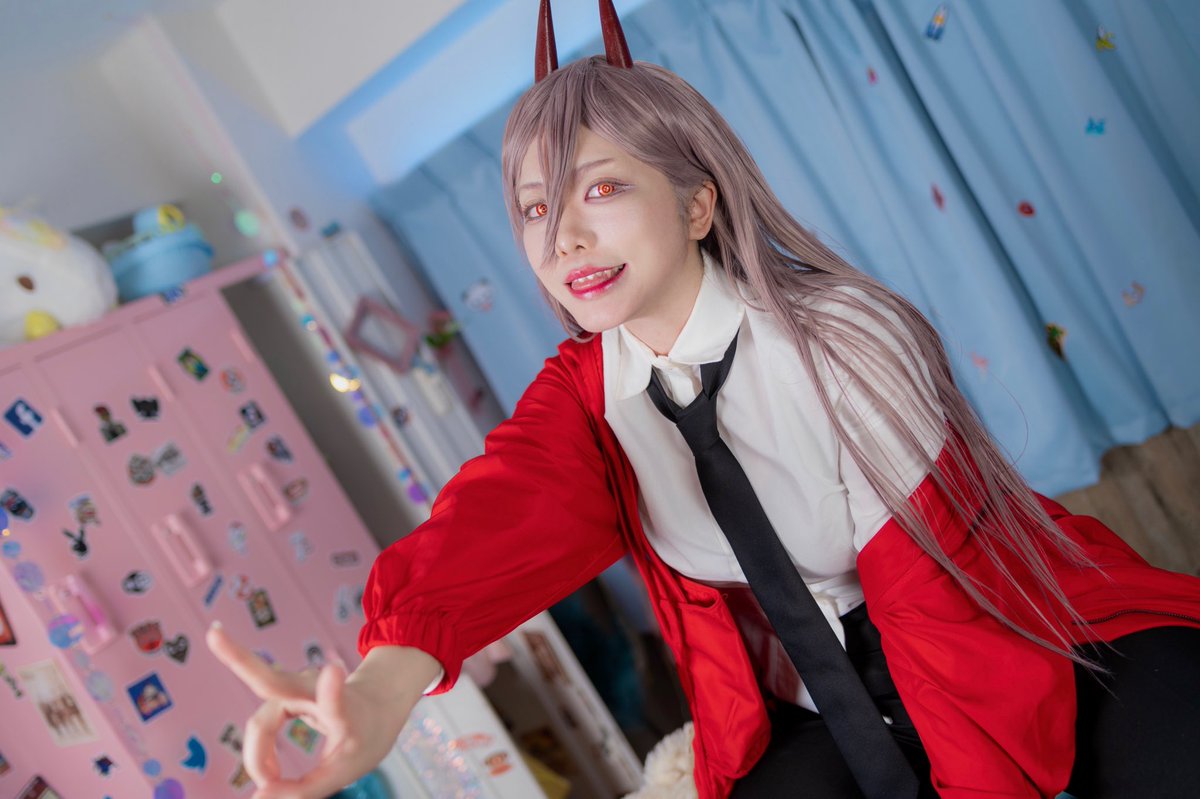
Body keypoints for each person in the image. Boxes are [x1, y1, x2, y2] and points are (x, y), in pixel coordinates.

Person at [207, 2, 1200, 797]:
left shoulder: (844, 337)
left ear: (695, 202)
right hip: (816, 702)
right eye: (535, 207)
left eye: (601, 189)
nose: (562, 238)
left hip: (1017, 622)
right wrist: (382, 688)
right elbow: (492, 523)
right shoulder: (588, 397)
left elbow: (934, 613)